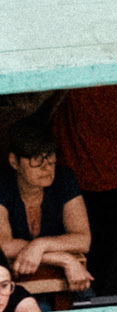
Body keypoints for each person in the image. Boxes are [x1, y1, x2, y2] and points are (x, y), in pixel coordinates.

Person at [51, 82, 117, 286]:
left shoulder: (72, 71)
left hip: (89, 177)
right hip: (98, 178)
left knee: (75, 263)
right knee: (96, 265)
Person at [0, 118, 93, 294]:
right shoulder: (2, 185)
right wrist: (64, 259)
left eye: (49, 156)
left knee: (88, 302)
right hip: (14, 283)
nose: (46, 167)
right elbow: (3, 245)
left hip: (63, 278)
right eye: (36, 159)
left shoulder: (64, 179)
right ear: (14, 162)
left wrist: (40, 245)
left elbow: (83, 240)